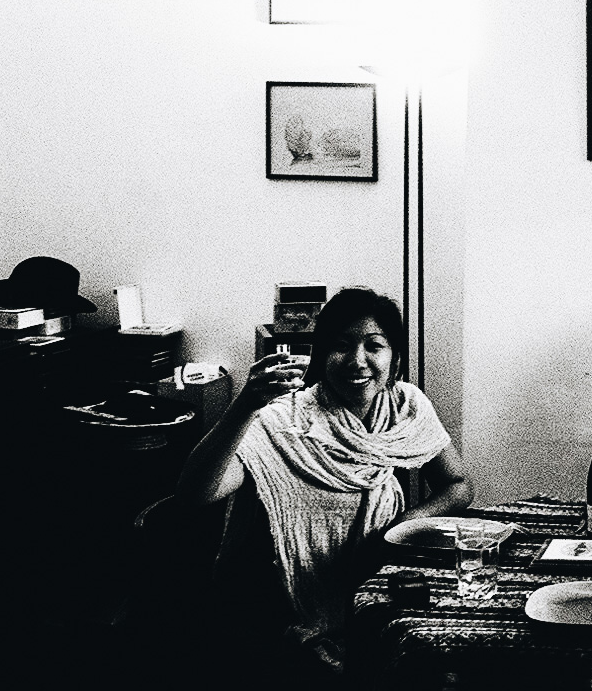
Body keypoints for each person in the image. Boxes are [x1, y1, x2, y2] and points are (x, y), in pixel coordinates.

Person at [177, 287, 472, 681]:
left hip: (378, 590)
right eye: (341, 346)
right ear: (320, 355)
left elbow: (458, 485)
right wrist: (245, 405)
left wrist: (402, 525)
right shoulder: (283, 419)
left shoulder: (405, 405)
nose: (357, 361)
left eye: (374, 346)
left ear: (395, 358)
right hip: (282, 612)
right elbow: (196, 495)